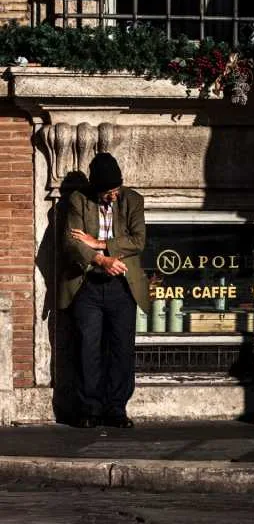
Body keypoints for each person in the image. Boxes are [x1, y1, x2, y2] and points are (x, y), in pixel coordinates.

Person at [60, 153, 147, 429]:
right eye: (108, 192)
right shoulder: (78, 201)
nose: (113, 196)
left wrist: (99, 244)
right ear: (96, 189)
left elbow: (139, 241)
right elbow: (71, 243)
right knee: (89, 348)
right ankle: (90, 409)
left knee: (122, 348)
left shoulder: (133, 200)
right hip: (87, 287)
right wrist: (102, 260)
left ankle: (117, 409)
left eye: (116, 190)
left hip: (122, 287)